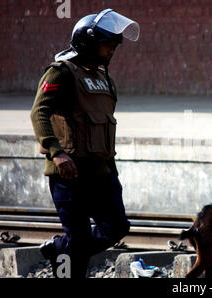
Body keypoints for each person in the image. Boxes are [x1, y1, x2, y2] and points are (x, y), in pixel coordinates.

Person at [30, 9, 140, 278]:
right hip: (70, 174)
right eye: (108, 43)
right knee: (78, 241)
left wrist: (113, 172)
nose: (113, 49)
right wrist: (55, 153)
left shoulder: (105, 80)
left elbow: (104, 129)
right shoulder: (61, 73)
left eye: (115, 44)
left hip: (101, 174)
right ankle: (67, 258)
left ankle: (60, 248)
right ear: (88, 42)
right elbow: (39, 113)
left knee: (117, 228)